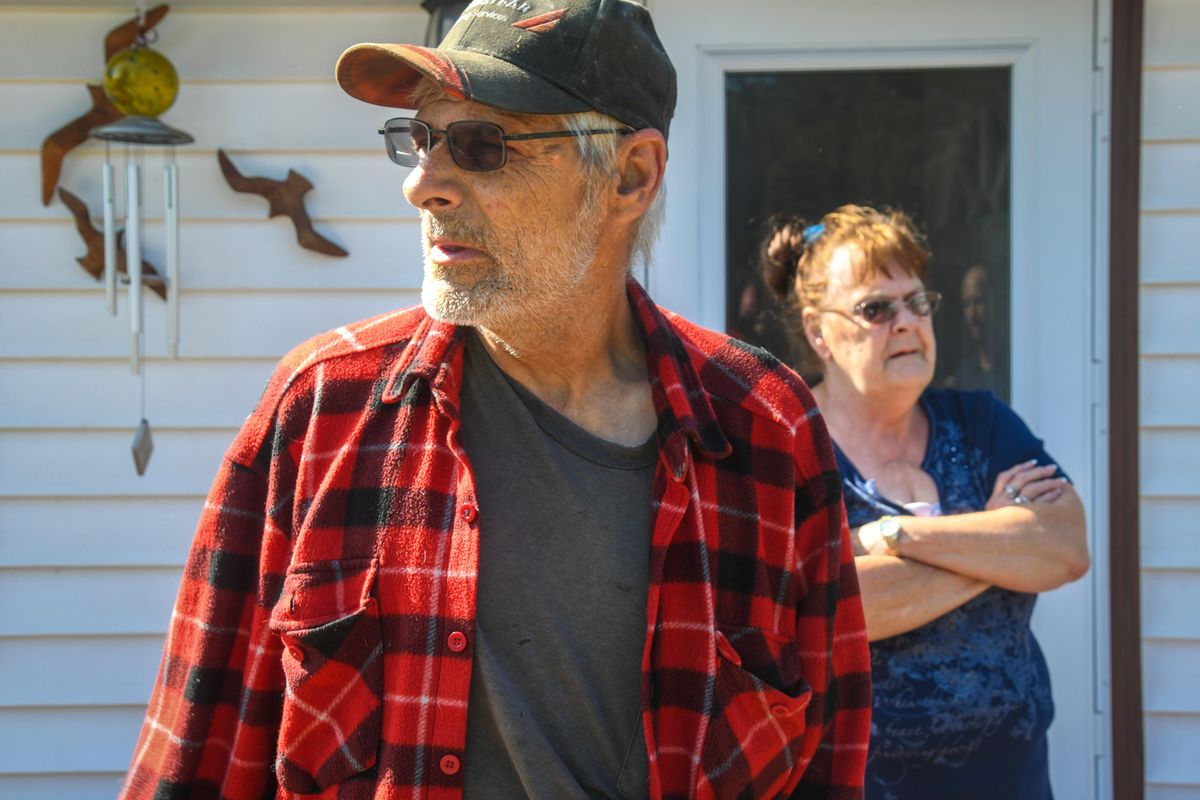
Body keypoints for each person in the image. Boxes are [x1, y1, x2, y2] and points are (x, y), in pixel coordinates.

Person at [118, 3, 871, 799]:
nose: (423, 185)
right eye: (421, 139)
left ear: (631, 176)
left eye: (484, 146)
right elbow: (194, 761)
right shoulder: (323, 413)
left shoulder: (763, 429)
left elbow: (831, 764)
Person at [760, 205, 1089, 800]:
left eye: (916, 301)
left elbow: (1065, 547)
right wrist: (998, 544)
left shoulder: (980, 422)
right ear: (817, 331)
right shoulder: (788, 449)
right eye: (876, 309)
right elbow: (826, 615)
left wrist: (899, 539)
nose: (907, 322)